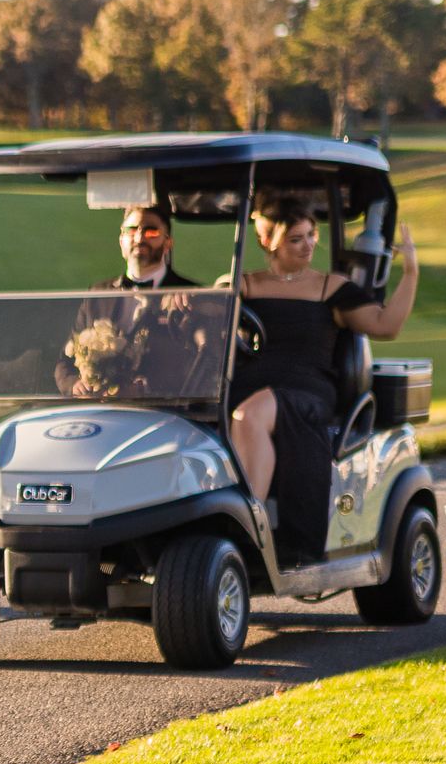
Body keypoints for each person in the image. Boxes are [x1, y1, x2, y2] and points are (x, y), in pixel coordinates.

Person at [230, 197, 420, 563]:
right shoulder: (245, 285)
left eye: (311, 235)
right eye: (295, 239)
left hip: (306, 389)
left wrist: (410, 272)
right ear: (268, 241)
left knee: (249, 416)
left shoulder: (329, 288)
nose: (308, 245)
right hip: (250, 384)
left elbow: (386, 325)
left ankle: (247, 528)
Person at [56, 203, 203, 397]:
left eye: (151, 232)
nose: (140, 238)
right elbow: (66, 359)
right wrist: (76, 384)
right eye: (131, 231)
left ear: (168, 243)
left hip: (162, 410)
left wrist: (147, 388)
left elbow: (201, 367)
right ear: (121, 240)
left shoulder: (190, 294)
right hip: (100, 407)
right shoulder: (98, 293)